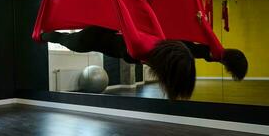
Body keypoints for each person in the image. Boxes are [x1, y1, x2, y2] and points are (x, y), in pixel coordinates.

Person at [41, 26, 196, 100]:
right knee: (64, 40)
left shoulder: (157, 49)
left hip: (104, 35)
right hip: (92, 38)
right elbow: (124, 17)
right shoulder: (139, 49)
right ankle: (41, 35)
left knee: (66, 39)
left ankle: (44, 34)